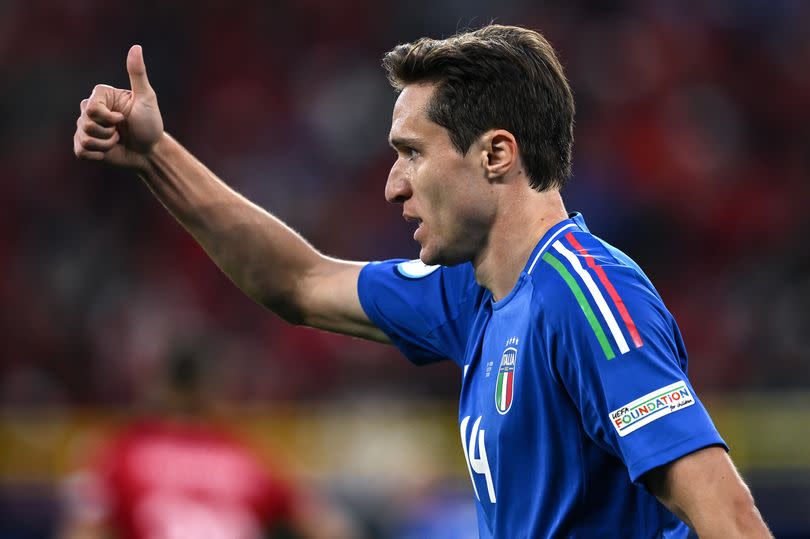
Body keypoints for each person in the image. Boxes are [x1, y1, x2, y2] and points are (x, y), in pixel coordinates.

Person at [73, 24, 772, 538]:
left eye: (411, 153)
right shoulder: (472, 294)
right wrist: (155, 157)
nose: (391, 186)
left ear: (496, 153)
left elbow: (731, 519)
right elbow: (298, 281)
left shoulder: (589, 296)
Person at [60, 340, 356, 539]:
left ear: (161, 385)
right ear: (213, 387)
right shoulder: (245, 456)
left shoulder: (122, 451)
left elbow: (83, 530)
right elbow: (328, 525)